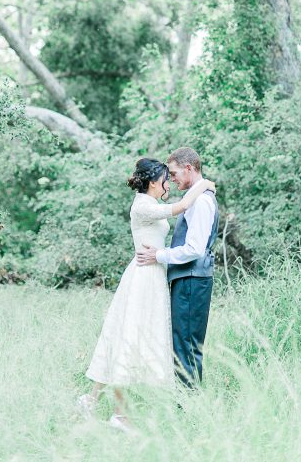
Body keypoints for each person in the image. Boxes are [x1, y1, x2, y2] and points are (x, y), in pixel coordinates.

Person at [77, 157, 214, 431]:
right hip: (143, 274)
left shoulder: (152, 204)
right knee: (128, 336)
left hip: (154, 273)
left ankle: (93, 401)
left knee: (130, 336)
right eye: (166, 178)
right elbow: (183, 205)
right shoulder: (142, 205)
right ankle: (118, 414)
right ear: (154, 182)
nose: (169, 182)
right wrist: (206, 184)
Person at [136, 146, 219, 387]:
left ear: (189, 168)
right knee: (182, 342)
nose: (171, 179)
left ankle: (189, 409)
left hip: (193, 279)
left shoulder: (201, 201)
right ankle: (185, 405)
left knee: (187, 345)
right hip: (187, 278)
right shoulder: (194, 198)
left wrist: (159, 255)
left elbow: (194, 249)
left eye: (173, 173)